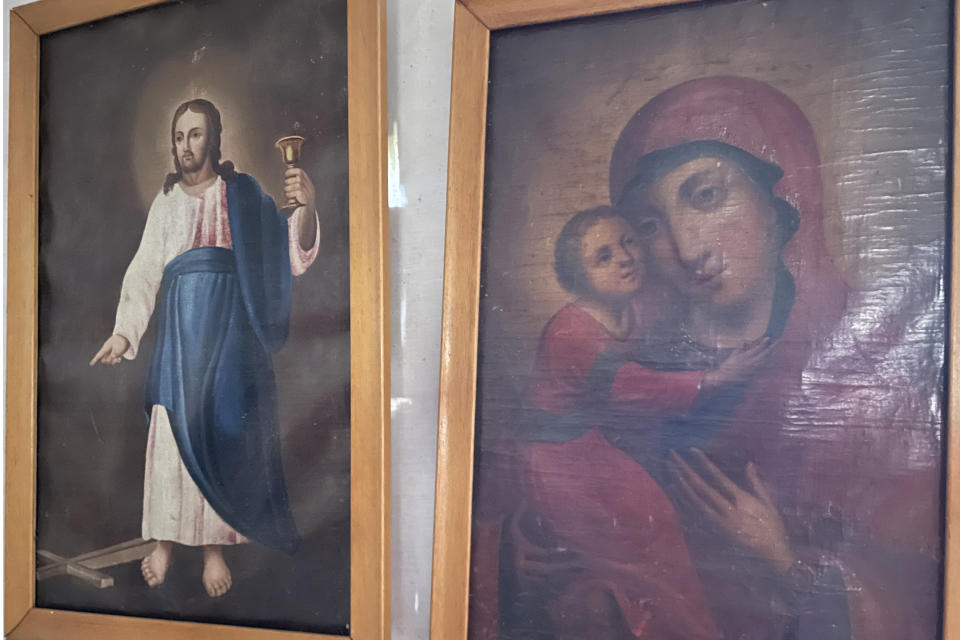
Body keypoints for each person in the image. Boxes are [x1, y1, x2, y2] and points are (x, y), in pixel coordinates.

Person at [513, 205, 780, 640]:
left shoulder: (633, 308)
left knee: (660, 534)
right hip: (561, 461)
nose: (624, 257)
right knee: (651, 530)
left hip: (595, 443)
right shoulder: (571, 330)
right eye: (603, 256)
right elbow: (630, 385)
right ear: (579, 279)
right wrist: (714, 379)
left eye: (628, 242)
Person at [89, 98, 320, 598]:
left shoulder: (245, 195)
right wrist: (124, 332)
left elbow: (285, 257)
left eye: (195, 135)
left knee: (222, 433)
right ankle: (167, 543)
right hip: (179, 338)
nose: (185, 146)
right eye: (178, 136)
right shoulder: (166, 204)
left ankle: (214, 551)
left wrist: (305, 208)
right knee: (172, 433)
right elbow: (145, 270)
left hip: (230, 337)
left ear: (213, 139)